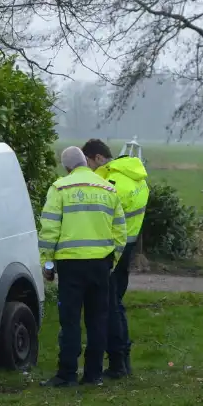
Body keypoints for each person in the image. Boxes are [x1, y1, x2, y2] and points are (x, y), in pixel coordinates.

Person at [38, 146, 128, 387]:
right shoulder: (108, 188)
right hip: (101, 265)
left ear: (67, 167)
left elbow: (49, 230)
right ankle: (94, 375)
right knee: (97, 320)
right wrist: (113, 260)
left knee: (70, 321)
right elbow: (121, 230)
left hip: (70, 265)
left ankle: (67, 374)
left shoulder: (60, 188)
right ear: (85, 163)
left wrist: (47, 263)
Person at [81, 139, 149, 379]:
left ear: (98, 157)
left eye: (88, 162)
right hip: (128, 243)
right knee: (115, 302)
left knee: (110, 306)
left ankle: (118, 362)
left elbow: (101, 216)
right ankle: (121, 361)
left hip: (113, 247)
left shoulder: (112, 182)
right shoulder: (134, 176)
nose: (87, 168)